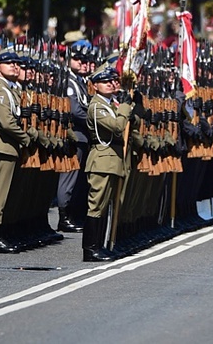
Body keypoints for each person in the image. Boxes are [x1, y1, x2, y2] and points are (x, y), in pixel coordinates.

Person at [0, 48, 38, 253]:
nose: (15, 66)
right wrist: (25, 138)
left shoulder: (10, 88)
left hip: (10, 146)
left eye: (17, 63)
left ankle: (3, 231)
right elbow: (6, 122)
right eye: (9, 63)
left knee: (7, 192)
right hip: (2, 145)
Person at [82, 62, 135, 262]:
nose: (111, 84)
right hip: (102, 161)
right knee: (96, 205)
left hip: (113, 161)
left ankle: (101, 246)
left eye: (113, 80)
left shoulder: (111, 104)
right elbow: (116, 126)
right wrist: (124, 108)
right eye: (105, 82)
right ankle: (90, 249)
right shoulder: (97, 106)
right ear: (95, 85)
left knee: (105, 206)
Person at [57, 40, 93, 232]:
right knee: (69, 179)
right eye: (78, 59)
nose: (82, 63)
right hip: (75, 134)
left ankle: (72, 214)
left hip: (83, 135)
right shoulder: (68, 82)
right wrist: (95, 119)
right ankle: (64, 216)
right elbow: (75, 111)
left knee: (78, 180)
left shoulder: (80, 81)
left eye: (84, 60)